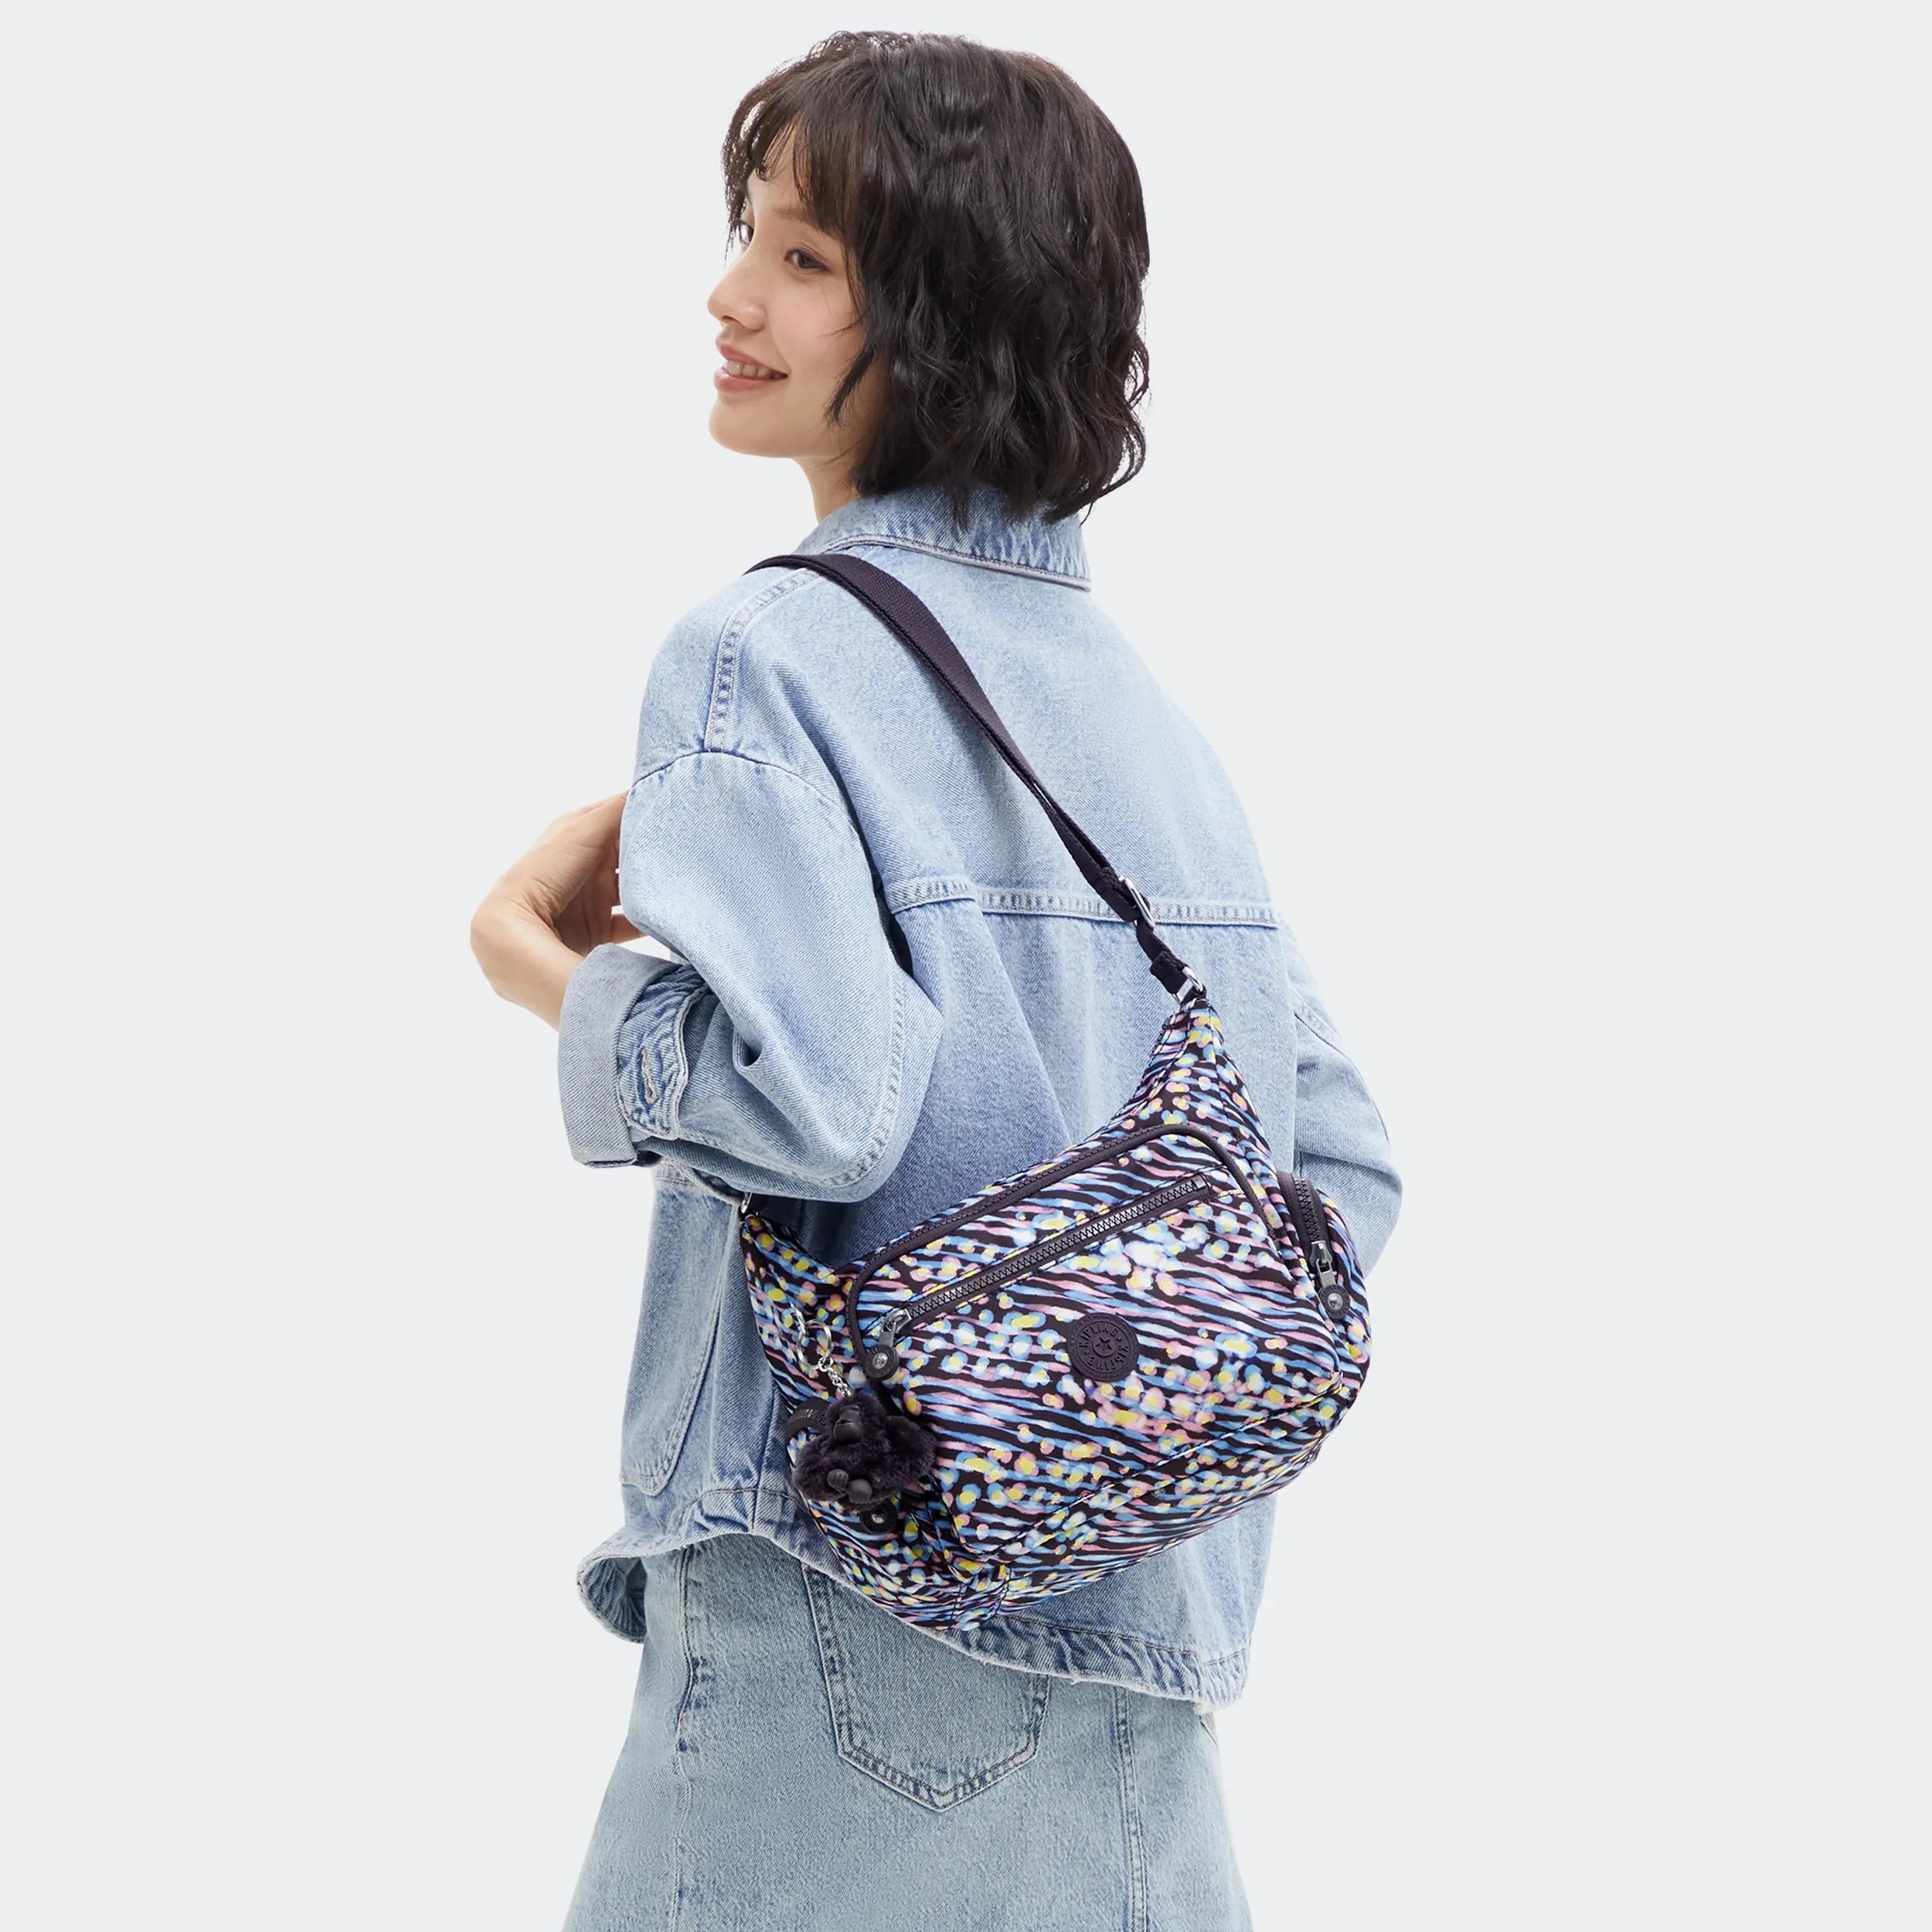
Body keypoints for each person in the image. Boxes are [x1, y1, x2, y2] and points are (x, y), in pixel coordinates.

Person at [470, 31, 1400, 1932]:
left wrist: (543, 971)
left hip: (844, 1617)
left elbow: (821, 1102)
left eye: (803, 257)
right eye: (747, 235)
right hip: (1147, 1657)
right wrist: (1099, 1427)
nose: (728, 298)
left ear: (949, 314)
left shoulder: (762, 652)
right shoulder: (1148, 726)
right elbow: (1341, 1167)